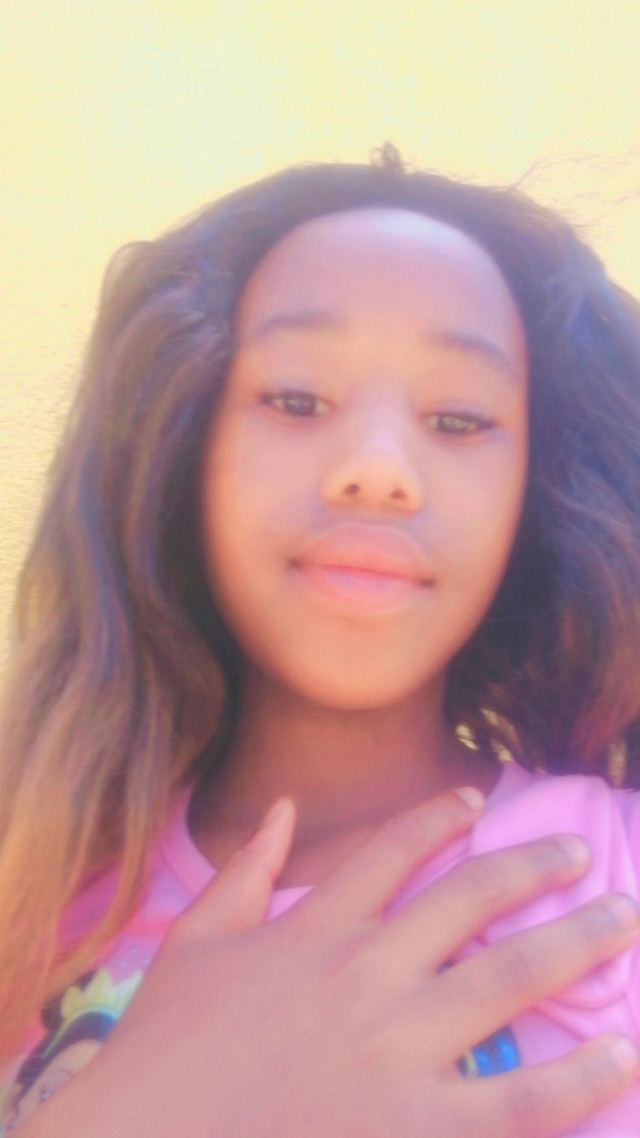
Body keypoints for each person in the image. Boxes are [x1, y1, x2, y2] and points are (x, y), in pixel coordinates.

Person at [0, 141, 639, 1137]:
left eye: (459, 420)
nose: (378, 469)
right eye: (296, 402)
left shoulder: (613, 875)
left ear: (537, 487)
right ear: (183, 440)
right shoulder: (34, 885)